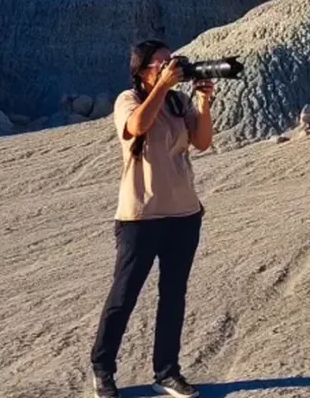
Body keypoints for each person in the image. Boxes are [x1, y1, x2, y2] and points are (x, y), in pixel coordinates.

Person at [90, 39, 215, 398]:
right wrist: (162, 86)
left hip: (184, 214)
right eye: (161, 63)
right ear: (142, 70)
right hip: (140, 217)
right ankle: (102, 370)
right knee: (123, 296)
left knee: (173, 297)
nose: (169, 66)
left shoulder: (177, 102)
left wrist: (203, 101)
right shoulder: (128, 99)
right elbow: (137, 126)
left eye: (170, 60)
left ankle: (167, 371)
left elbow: (202, 141)